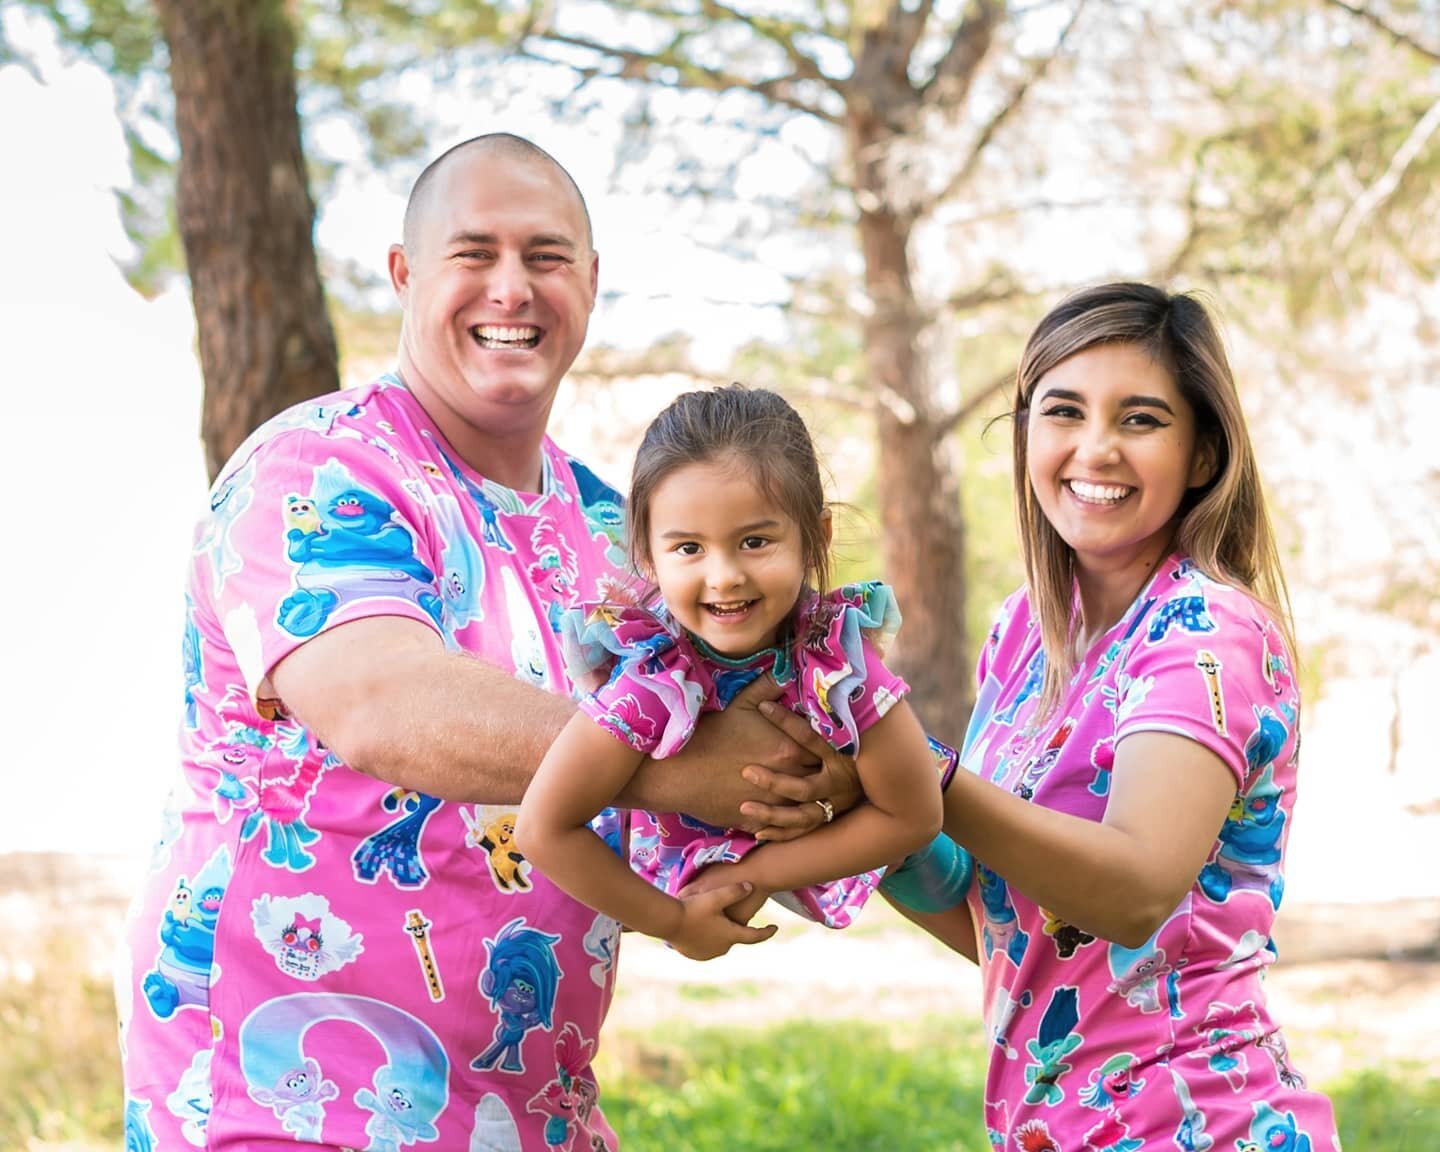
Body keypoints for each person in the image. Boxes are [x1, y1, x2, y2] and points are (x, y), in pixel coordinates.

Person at [116, 133, 854, 1151]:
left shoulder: (616, 533)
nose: (512, 289)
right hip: (283, 1101)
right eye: (475, 254)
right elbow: (382, 702)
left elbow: (766, 729)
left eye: (546, 259)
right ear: (405, 274)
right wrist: (678, 764)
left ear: (590, 284)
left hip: (528, 1110)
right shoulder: (318, 469)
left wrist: (872, 792)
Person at [792, 282, 1339, 1147]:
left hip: (1197, 1122)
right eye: (1064, 411)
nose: (1096, 448)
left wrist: (914, 768)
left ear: (1203, 455)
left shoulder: (1208, 628)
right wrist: (829, 819)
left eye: (1141, 419)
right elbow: (1010, 926)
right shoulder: (1023, 633)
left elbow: (1132, 891)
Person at [516, 385, 959, 960]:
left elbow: (917, 815)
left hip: (970, 878)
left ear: (814, 538)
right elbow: (543, 827)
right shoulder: (657, 682)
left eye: (754, 541)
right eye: (689, 548)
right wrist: (672, 920)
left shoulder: (838, 662)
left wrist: (761, 871)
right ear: (647, 555)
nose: (723, 576)